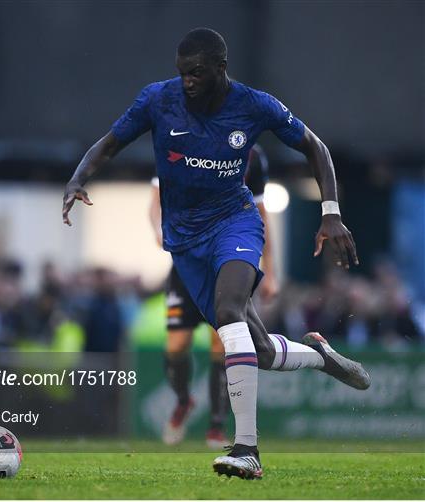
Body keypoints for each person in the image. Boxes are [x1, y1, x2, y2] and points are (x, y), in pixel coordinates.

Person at [62, 28, 370, 480]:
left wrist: (330, 212)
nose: (187, 81)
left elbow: (314, 146)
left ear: (221, 69)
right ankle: (319, 356)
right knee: (261, 350)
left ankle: (247, 449)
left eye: (197, 73)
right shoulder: (157, 100)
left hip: (235, 223)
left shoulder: (254, 105)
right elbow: (109, 143)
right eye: (183, 73)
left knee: (230, 312)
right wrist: (76, 179)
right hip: (185, 244)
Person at [148, 145, 278, 448]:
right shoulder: (181, 142)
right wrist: (158, 230)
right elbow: (155, 199)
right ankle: (183, 400)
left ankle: (216, 426)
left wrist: (270, 271)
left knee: (223, 341)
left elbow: (261, 215)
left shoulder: (254, 156)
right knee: (177, 345)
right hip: (187, 262)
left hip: (226, 261)